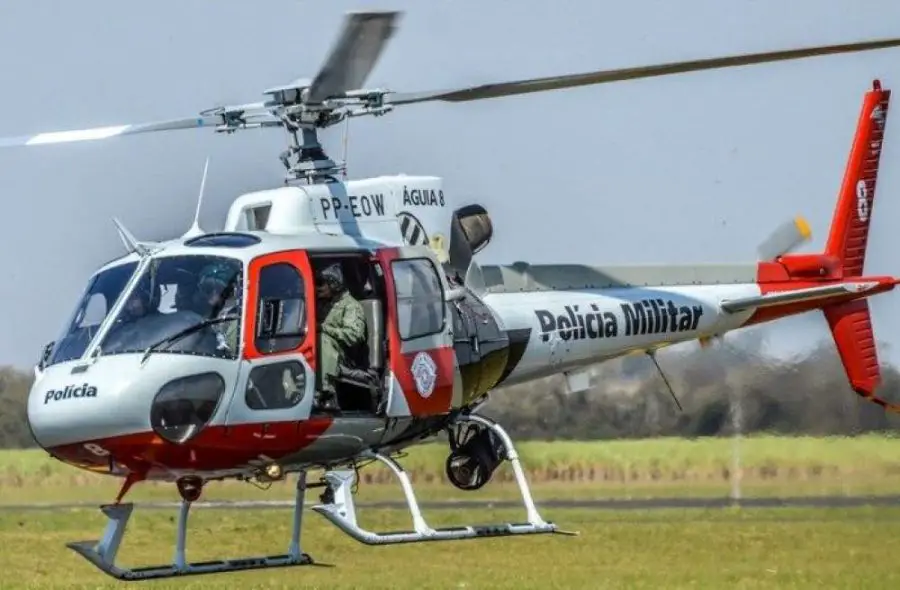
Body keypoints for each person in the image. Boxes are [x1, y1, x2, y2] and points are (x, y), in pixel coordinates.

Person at [316, 263, 366, 407]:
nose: (317, 288)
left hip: (343, 356)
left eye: (321, 284)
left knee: (322, 339)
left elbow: (354, 335)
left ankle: (326, 393)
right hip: (321, 354)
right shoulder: (323, 304)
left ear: (334, 284)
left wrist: (324, 328)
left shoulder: (351, 305)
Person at [196, 262, 242, 354]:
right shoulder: (201, 317)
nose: (213, 293)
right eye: (207, 288)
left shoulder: (237, 322)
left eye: (219, 288)